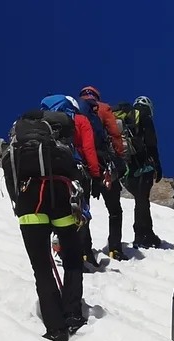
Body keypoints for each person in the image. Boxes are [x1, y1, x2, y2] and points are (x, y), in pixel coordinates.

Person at [1, 107, 94, 341]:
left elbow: (11, 178)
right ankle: (73, 314)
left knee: (41, 268)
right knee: (72, 259)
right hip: (60, 199)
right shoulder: (56, 141)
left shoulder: (17, 143)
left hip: (29, 205)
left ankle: (55, 328)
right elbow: (74, 171)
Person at [41, 94, 106, 269]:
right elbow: (88, 147)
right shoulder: (80, 120)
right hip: (75, 169)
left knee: (58, 208)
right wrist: (95, 174)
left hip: (48, 170)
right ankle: (78, 253)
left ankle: (62, 243)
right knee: (81, 211)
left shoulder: (44, 121)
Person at [76, 86, 133, 258]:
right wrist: (119, 156)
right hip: (102, 163)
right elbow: (115, 133)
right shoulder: (103, 108)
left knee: (82, 207)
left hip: (81, 164)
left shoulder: (73, 110)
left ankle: (85, 250)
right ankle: (115, 248)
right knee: (115, 209)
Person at [113, 95, 166, 249]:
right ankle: (142, 235)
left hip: (127, 166)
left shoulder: (125, 118)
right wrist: (157, 165)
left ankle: (146, 233)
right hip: (142, 165)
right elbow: (151, 142)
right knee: (142, 200)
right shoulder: (144, 116)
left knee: (140, 199)